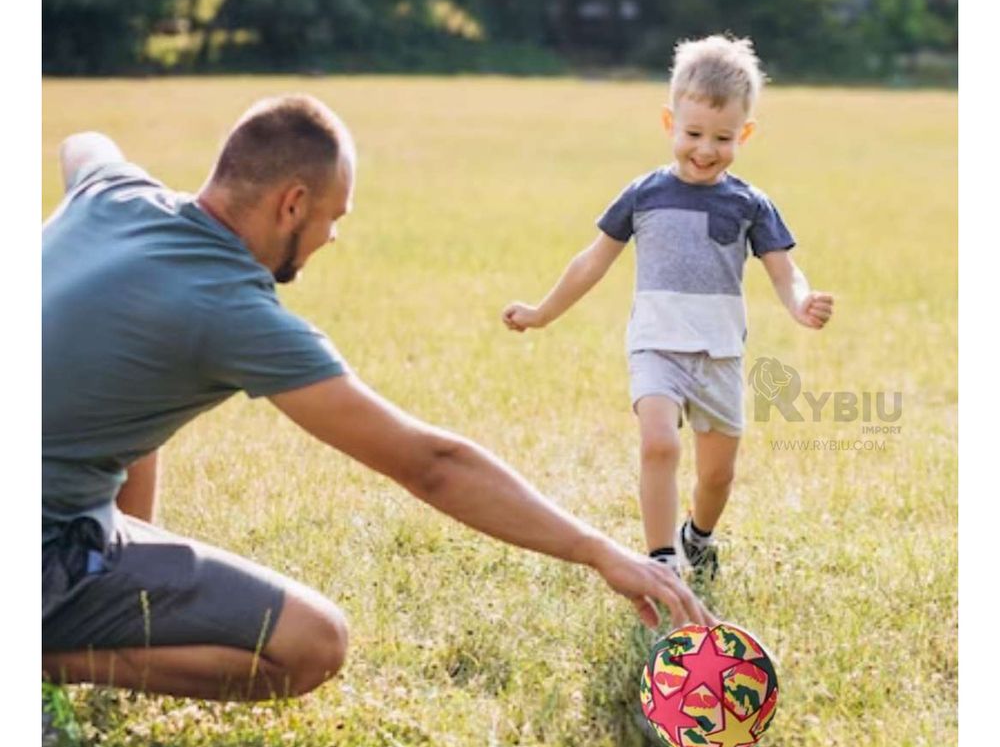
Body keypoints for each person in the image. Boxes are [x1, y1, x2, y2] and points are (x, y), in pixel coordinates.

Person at [42, 94, 715, 709]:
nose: (333, 237)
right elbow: (432, 464)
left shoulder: (113, 191)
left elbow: (85, 141)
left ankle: (103, 582)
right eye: (333, 217)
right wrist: (599, 550)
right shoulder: (229, 310)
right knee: (312, 642)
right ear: (292, 203)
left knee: (136, 385)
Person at [502, 36, 834, 581]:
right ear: (669, 122)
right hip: (656, 347)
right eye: (693, 133)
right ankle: (662, 562)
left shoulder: (750, 204)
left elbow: (783, 270)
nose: (705, 149)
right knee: (658, 443)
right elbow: (591, 262)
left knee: (717, 477)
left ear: (745, 133)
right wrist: (541, 312)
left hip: (719, 355)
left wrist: (801, 303)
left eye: (723, 138)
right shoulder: (643, 195)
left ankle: (697, 536)